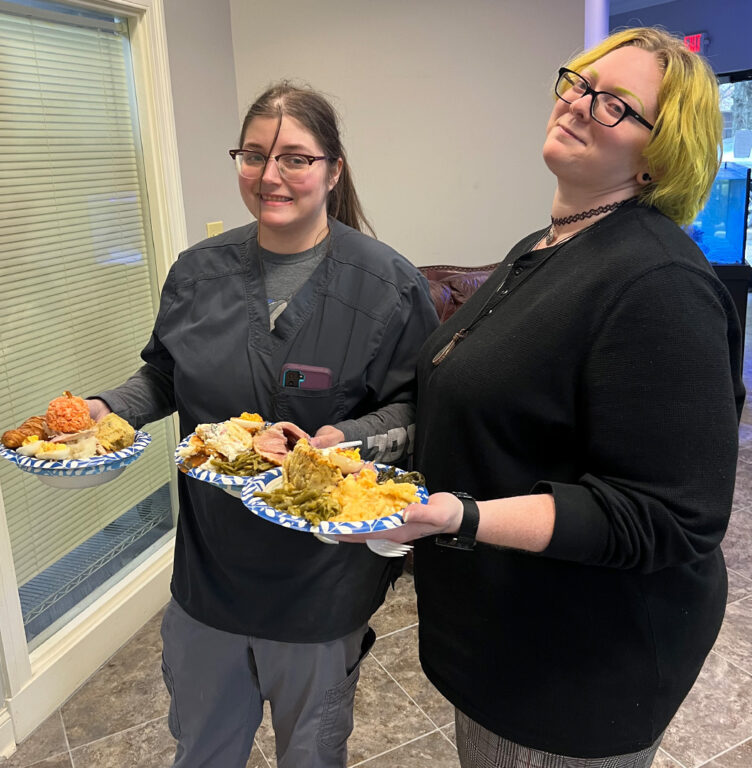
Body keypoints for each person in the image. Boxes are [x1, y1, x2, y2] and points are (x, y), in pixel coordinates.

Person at [356, 27, 746, 767]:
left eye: (613, 104)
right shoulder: (542, 247)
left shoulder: (660, 284)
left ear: (662, 150)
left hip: (576, 670)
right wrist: (347, 449)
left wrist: (456, 516)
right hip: (500, 636)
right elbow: (462, 395)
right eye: (577, 82)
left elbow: (669, 515)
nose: (576, 102)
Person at [85, 82, 439, 768]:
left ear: (333, 170)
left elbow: (419, 409)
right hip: (208, 581)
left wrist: (342, 439)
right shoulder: (196, 274)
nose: (270, 175)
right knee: (205, 749)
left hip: (319, 590)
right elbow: (164, 374)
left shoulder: (389, 287)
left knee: (309, 755)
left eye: (296, 159)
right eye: (253, 155)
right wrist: (106, 411)